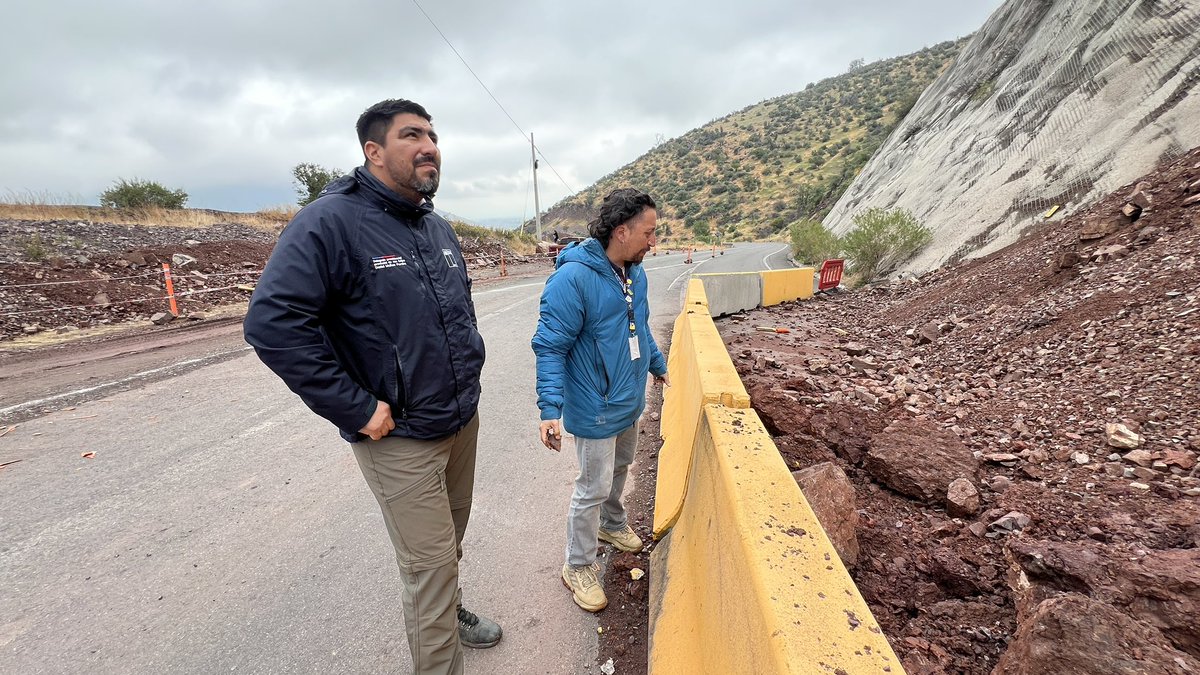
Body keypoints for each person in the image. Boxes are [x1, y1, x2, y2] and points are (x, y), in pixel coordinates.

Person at [243, 99, 501, 674]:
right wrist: (356, 408)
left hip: (459, 422)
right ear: (374, 151)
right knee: (428, 567)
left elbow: (452, 317)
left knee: (447, 544)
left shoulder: (435, 227)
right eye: (412, 135)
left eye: (433, 135)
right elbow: (272, 323)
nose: (429, 145)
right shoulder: (330, 222)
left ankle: (450, 608)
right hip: (398, 439)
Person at [530, 188, 669, 612]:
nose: (653, 242)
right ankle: (577, 565)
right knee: (590, 488)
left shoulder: (635, 272)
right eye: (648, 233)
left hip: (629, 399)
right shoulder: (573, 278)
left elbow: (640, 327)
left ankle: (611, 524)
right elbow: (550, 346)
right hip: (594, 407)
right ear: (621, 231)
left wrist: (657, 365)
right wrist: (549, 409)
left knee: (621, 468)